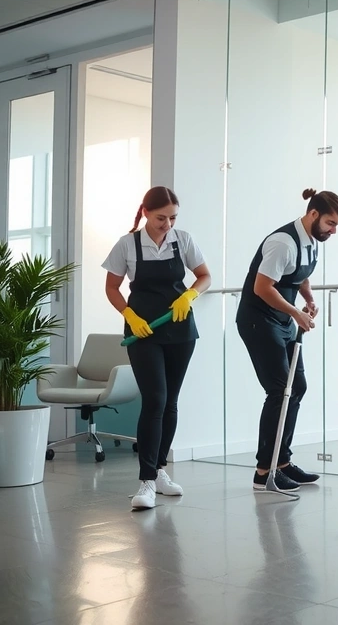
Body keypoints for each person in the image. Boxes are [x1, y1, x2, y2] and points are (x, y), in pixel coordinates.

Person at [103, 186, 211, 510]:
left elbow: (204, 276)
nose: (167, 224)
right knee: (155, 400)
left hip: (180, 328)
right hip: (143, 330)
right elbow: (111, 287)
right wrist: (129, 314)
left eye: (173, 217)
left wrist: (190, 295)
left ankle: (160, 470)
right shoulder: (128, 244)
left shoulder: (184, 240)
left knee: (171, 402)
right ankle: (146, 482)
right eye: (161, 217)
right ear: (146, 213)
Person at [237, 188, 338, 492]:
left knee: (296, 387)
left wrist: (308, 299)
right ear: (313, 214)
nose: (333, 230)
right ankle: (263, 472)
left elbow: (299, 275)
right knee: (278, 390)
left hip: (282, 320)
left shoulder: (311, 240)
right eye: (330, 223)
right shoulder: (282, 242)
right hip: (258, 320)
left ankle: (282, 462)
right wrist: (296, 314)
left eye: (336, 225)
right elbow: (262, 287)